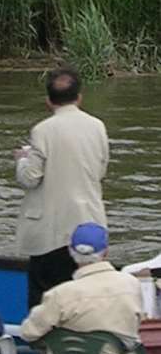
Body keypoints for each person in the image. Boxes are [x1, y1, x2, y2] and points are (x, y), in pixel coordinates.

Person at [14, 66, 109, 308]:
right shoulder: (97, 126)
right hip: (89, 225)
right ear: (79, 97)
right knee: (86, 296)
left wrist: (22, 160)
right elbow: (100, 171)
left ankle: (46, 344)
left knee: (45, 299)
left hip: (51, 232)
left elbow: (30, 178)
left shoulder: (42, 130)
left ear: (48, 101)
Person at [20, 222, 142, 354]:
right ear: (106, 252)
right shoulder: (132, 284)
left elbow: (28, 333)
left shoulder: (60, 294)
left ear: (71, 252)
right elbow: (137, 323)